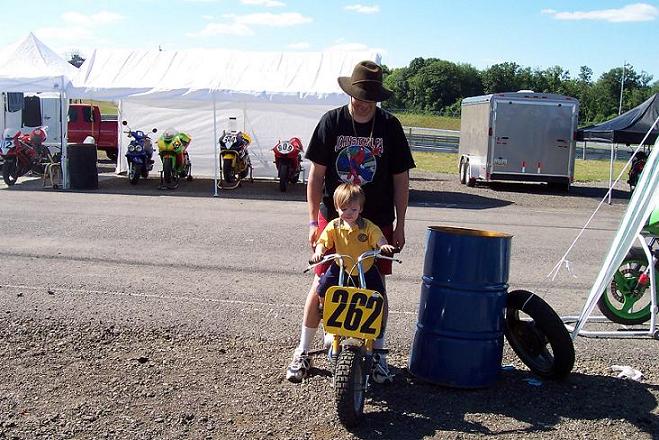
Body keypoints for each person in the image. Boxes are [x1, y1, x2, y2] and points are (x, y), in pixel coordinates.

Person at [286, 60, 415, 383]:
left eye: (368, 99)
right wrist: (313, 223)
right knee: (321, 286)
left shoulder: (390, 126)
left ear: (377, 100)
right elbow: (316, 176)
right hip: (334, 219)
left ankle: (379, 355)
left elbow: (401, 179)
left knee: (376, 291)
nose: (361, 104)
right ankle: (302, 351)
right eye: (358, 97)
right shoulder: (332, 122)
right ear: (349, 93)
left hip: (378, 223)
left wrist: (400, 224)